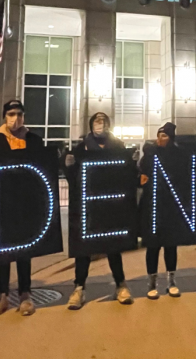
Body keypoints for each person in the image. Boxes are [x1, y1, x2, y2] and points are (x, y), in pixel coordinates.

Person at [0, 100, 46, 318]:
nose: (15, 118)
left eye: (18, 114)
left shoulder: (34, 140)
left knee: (24, 252)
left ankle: (25, 294)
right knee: (2, 253)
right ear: (4, 116)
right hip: (1, 204)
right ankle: (2, 295)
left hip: (25, 205)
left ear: (24, 116)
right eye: (10, 114)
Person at [65, 112, 133, 309]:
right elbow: (73, 176)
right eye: (96, 121)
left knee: (113, 248)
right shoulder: (82, 147)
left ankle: (120, 284)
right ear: (90, 124)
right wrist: (68, 166)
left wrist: (131, 164)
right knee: (83, 250)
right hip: (89, 206)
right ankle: (79, 287)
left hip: (111, 205)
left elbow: (126, 175)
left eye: (103, 121)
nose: (99, 124)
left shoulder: (118, 146)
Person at [137, 122, 181, 300]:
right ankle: (152, 283)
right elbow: (139, 173)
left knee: (171, 245)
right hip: (152, 207)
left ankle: (171, 281)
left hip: (170, 208)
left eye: (164, 136)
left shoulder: (177, 156)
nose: (160, 139)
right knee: (153, 246)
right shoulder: (149, 155)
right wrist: (140, 179)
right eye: (159, 135)